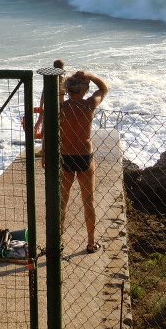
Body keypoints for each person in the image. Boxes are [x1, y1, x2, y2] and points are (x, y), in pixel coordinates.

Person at [42, 70, 108, 254]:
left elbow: (48, 131)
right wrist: (90, 75)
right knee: (89, 201)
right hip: (84, 156)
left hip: (66, 155)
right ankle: (91, 242)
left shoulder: (61, 108)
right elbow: (104, 88)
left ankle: (58, 241)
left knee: (62, 201)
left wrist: (46, 153)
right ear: (85, 90)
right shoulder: (89, 105)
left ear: (68, 90)